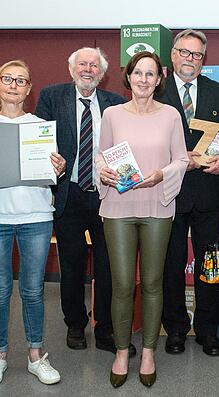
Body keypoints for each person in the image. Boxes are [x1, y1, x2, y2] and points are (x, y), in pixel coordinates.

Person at [97, 51, 189, 388]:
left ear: (159, 79)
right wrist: (103, 172)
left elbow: (182, 159)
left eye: (151, 74)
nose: (144, 80)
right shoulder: (111, 115)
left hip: (157, 206)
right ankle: (122, 351)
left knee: (152, 283)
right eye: (138, 73)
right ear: (128, 76)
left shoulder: (170, 116)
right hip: (119, 207)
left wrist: (161, 174)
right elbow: (100, 157)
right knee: (122, 284)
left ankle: (148, 350)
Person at [35, 47, 135, 356]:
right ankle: (75, 324)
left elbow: (126, 147)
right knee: (72, 263)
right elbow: (38, 141)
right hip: (69, 192)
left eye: (94, 65)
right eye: (83, 64)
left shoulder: (116, 104)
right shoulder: (52, 97)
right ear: (72, 69)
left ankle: (104, 328)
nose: (88, 69)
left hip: (107, 194)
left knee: (108, 266)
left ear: (103, 74)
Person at [0, 60, 66, 387]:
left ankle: (35, 356)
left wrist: (59, 167)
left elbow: (52, 177)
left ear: (29, 88)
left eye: (21, 80)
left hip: (36, 217)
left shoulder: (41, 127)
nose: (14, 85)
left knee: (32, 289)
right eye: (7, 79)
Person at [156, 29, 219, 357]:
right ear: (173, 55)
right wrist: (176, 160)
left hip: (208, 191)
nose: (191, 59)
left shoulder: (217, 92)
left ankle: (207, 330)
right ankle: (175, 329)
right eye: (185, 53)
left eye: (197, 55)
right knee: (171, 263)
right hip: (169, 192)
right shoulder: (157, 91)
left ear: (204, 61)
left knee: (211, 262)